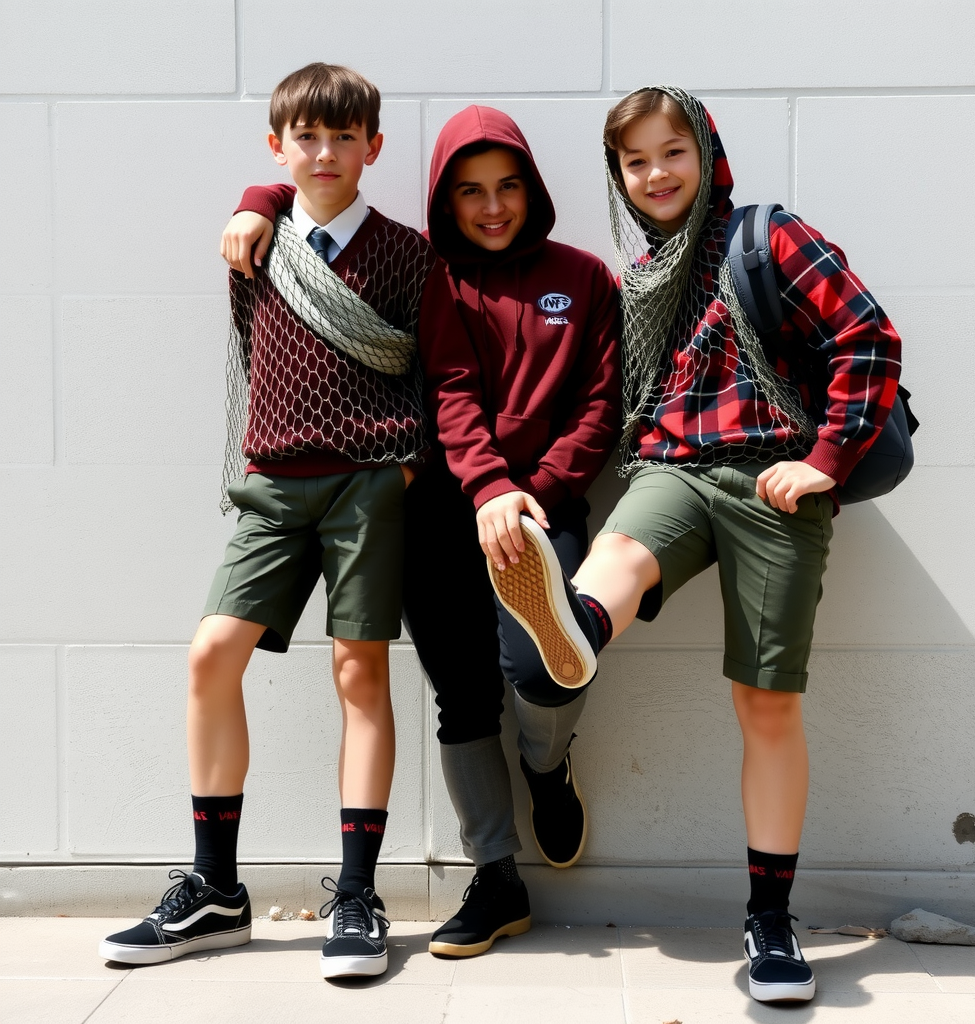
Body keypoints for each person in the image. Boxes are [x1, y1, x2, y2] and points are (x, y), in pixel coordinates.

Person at [487, 86, 901, 1004]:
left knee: (764, 705)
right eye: (635, 162)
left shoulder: (770, 235)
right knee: (614, 563)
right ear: (620, 177)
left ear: (704, 153)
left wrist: (825, 460)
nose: (655, 174)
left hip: (770, 480)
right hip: (673, 466)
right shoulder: (641, 274)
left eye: (670, 152)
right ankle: (575, 632)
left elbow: (865, 337)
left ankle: (769, 922)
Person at [221, 105, 621, 958]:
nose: (491, 206)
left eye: (508, 186)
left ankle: (547, 768)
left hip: (544, 511)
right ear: (445, 196)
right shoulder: (430, 272)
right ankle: (497, 878)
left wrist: (532, 493)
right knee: (462, 694)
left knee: (545, 670)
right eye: (470, 190)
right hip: (445, 512)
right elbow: (447, 390)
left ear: (533, 187)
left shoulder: (586, 278)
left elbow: (599, 409)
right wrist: (485, 490)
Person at [98, 62, 442, 980]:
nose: (323, 154)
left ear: (374, 147)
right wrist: (256, 201)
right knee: (212, 653)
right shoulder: (256, 240)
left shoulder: (409, 254)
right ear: (277, 147)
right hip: (274, 485)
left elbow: (434, 371)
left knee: (358, 669)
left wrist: (405, 467)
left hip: (370, 485)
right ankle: (216, 889)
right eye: (305, 138)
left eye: (343, 138)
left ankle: (358, 894)